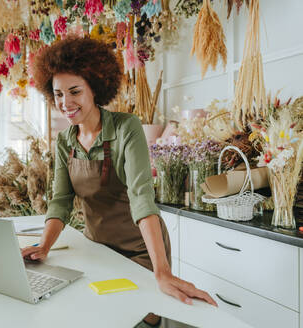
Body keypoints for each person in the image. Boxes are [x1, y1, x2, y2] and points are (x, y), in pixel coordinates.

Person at [21, 37, 217, 327]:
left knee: (140, 319)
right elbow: (61, 201)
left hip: (141, 251)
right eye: (58, 94)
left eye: (75, 91)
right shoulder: (64, 141)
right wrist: (44, 246)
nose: (66, 103)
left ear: (94, 88)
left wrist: (161, 271)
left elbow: (141, 197)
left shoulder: (127, 127)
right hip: (97, 248)